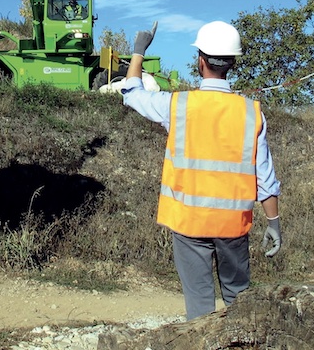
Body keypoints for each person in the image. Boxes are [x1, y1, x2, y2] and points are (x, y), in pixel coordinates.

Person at [121, 20, 282, 320]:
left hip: (189, 223)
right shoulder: (251, 112)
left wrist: (139, 52)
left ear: (200, 61)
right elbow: (265, 179)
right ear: (231, 63)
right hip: (233, 226)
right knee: (240, 303)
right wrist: (273, 223)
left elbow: (131, 92)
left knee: (199, 306)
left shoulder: (177, 105)